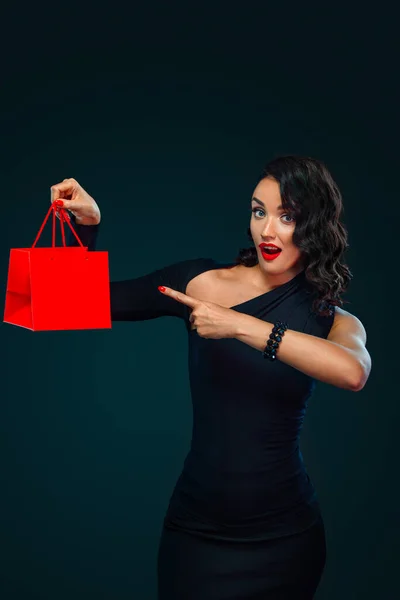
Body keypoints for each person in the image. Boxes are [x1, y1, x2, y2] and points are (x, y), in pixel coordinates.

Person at [51, 155, 371, 599]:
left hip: (285, 540)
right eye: (259, 211)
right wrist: (84, 228)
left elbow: (353, 372)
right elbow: (65, 301)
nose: (267, 231)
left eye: (287, 216)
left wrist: (238, 325)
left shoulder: (332, 321)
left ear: (314, 226)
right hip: (196, 535)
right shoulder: (200, 283)